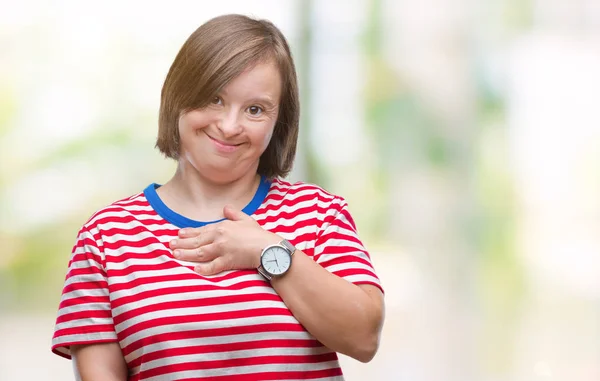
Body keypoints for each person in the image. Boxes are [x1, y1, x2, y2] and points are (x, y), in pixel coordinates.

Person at [52, 14, 385, 381]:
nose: (229, 126)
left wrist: (269, 252)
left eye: (255, 109)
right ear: (179, 96)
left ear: (278, 123)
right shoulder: (106, 237)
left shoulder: (320, 214)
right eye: (214, 99)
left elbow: (364, 338)